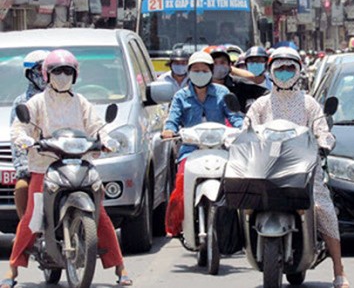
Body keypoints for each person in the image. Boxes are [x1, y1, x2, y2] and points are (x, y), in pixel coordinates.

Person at [4, 49, 132, 288]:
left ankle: (120, 267)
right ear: (47, 75)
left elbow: (96, 127)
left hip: (78, 164)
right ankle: (12, 271)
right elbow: (18, 128)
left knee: (100, 214)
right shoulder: (36, 102)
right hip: (44, 167)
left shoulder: (81, 102)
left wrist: (107, 140)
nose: (62, 76)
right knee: (32, 216)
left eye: (67, 72)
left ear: (75, 76)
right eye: (57, 72)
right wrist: (26, 140)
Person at [244, 47, 350, 288]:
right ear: (270, 72)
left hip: (305, 168)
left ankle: (339, 270)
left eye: (289, 68)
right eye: (279, 68)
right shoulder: (261, 105)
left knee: (323, 207)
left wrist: (324, 143)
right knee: (243, 203)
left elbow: (322, 130)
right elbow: (246, 129)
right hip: (266, 168)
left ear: (299, 71)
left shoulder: (309, 104)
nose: (284, 73)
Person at [161, 51, 243, 236]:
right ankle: (176, 226)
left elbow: (234, 117)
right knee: (181, 181)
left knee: (236, 181)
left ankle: (236, 229)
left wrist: (242, 128)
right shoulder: (181, 96)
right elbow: (172, 119)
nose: (200, 73)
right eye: (196, 70)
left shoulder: (223, 93)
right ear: (189, 73)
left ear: (211, 72)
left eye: (204, 70)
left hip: (220, 148)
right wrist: (169, 130)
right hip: (191, 150)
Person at [10, 50, 49, 219]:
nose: (45, 75)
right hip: (35, 160)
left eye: (48, 70)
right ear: (30, 74)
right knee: (22, 187)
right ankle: (25, 230)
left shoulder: (64, 97)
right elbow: (17, 137)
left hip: (62, 156)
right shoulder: (21, 103)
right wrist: (24, 167)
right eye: (40, 70)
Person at [210, 46, 268, 113]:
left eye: (222, 63)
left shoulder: (239, 85)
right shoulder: (201, 86)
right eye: (214, 63)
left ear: (229, 65)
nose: (218, 66)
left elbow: (265, 93)